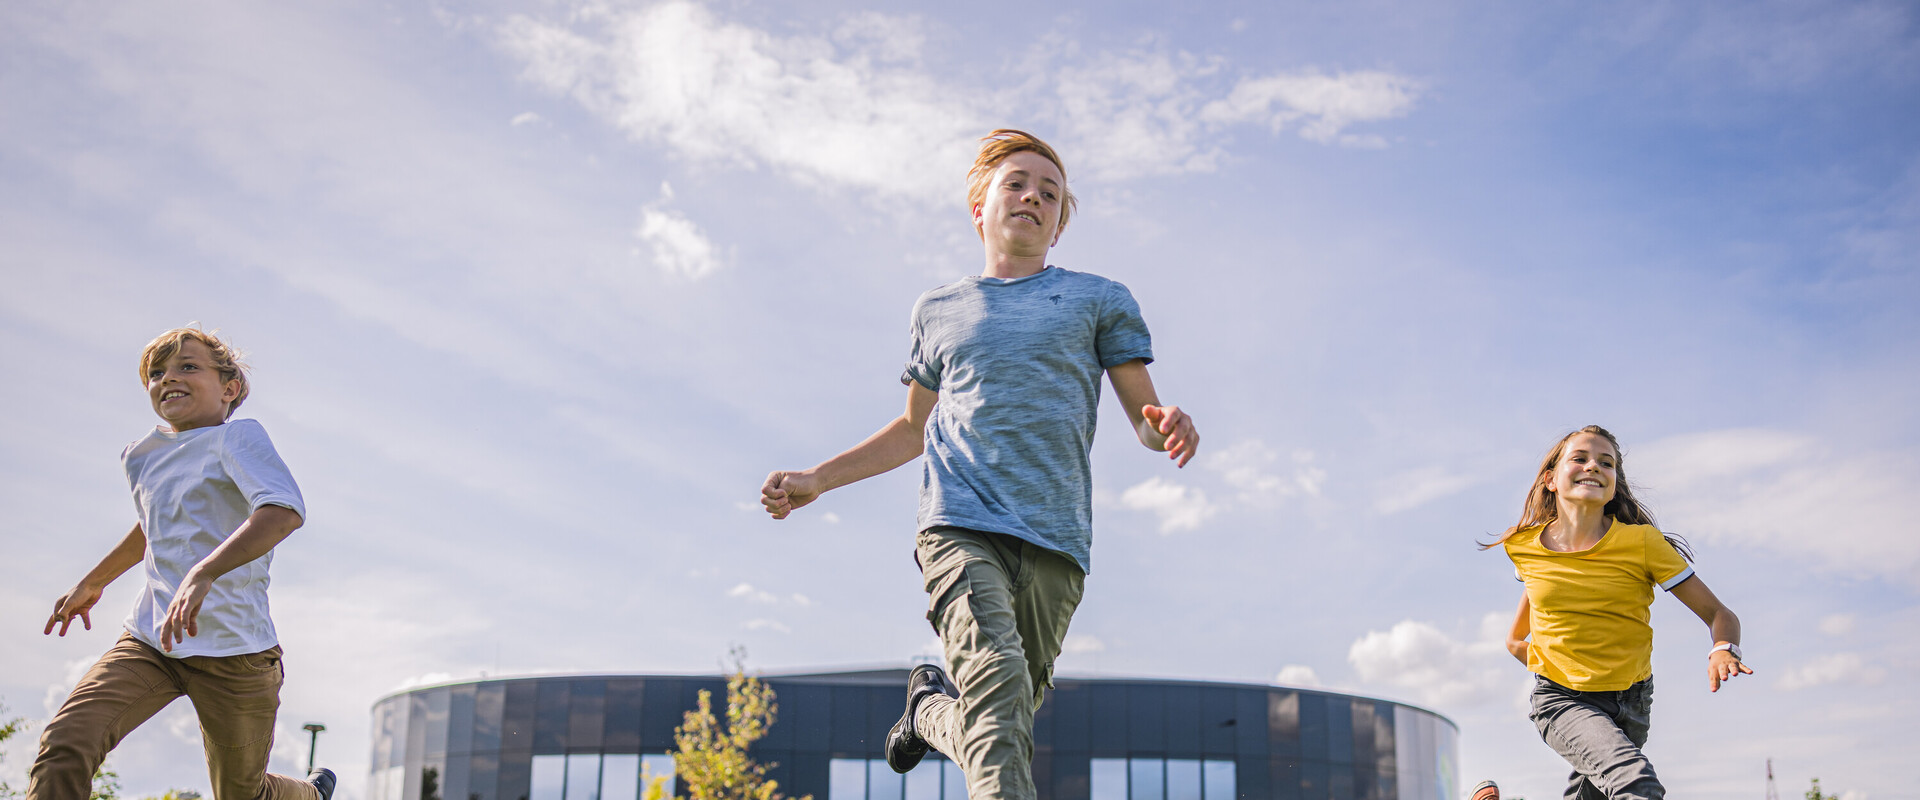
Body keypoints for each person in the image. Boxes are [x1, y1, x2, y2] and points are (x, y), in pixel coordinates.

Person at [759, 129, 1198, 800]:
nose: (1033, 197)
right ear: (980, 208)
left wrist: (1162, 425)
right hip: (959, 523)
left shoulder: (1098, 300)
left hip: (1056, 541)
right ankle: (942, 714)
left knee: (1002, 719)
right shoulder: (940, 310)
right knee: (996, 683)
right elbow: (914, 429)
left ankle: (927, 712)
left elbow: (1143, 415)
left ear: (1057, 225)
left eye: (1050, 193)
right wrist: (819, 478)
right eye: (1017, 184)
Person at [31, 328, 333, 800]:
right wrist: (94, 581)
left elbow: (281, 511)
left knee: (241, 794)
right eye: (156, 373)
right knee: (67, 742)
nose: (168, 378)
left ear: (229, 388)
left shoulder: (236, 438)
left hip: (235, 653)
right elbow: (156, 524)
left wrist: (204, 571)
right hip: (152, 640)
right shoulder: (141, 456)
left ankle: (310, 795)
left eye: (188, 366)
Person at [1488, 425, 1750, 800]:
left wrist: (1724, 647)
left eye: (1606, 463)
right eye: (1579, 458)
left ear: (1614, 483)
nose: (1593, 466)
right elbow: (1517, 638)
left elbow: (1719, 614)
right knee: (1636, 785)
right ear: (1550, 479)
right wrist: (1561, 667)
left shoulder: (1642, 544)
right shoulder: (1524, 546)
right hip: (1563, 700)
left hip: (1632, 703)